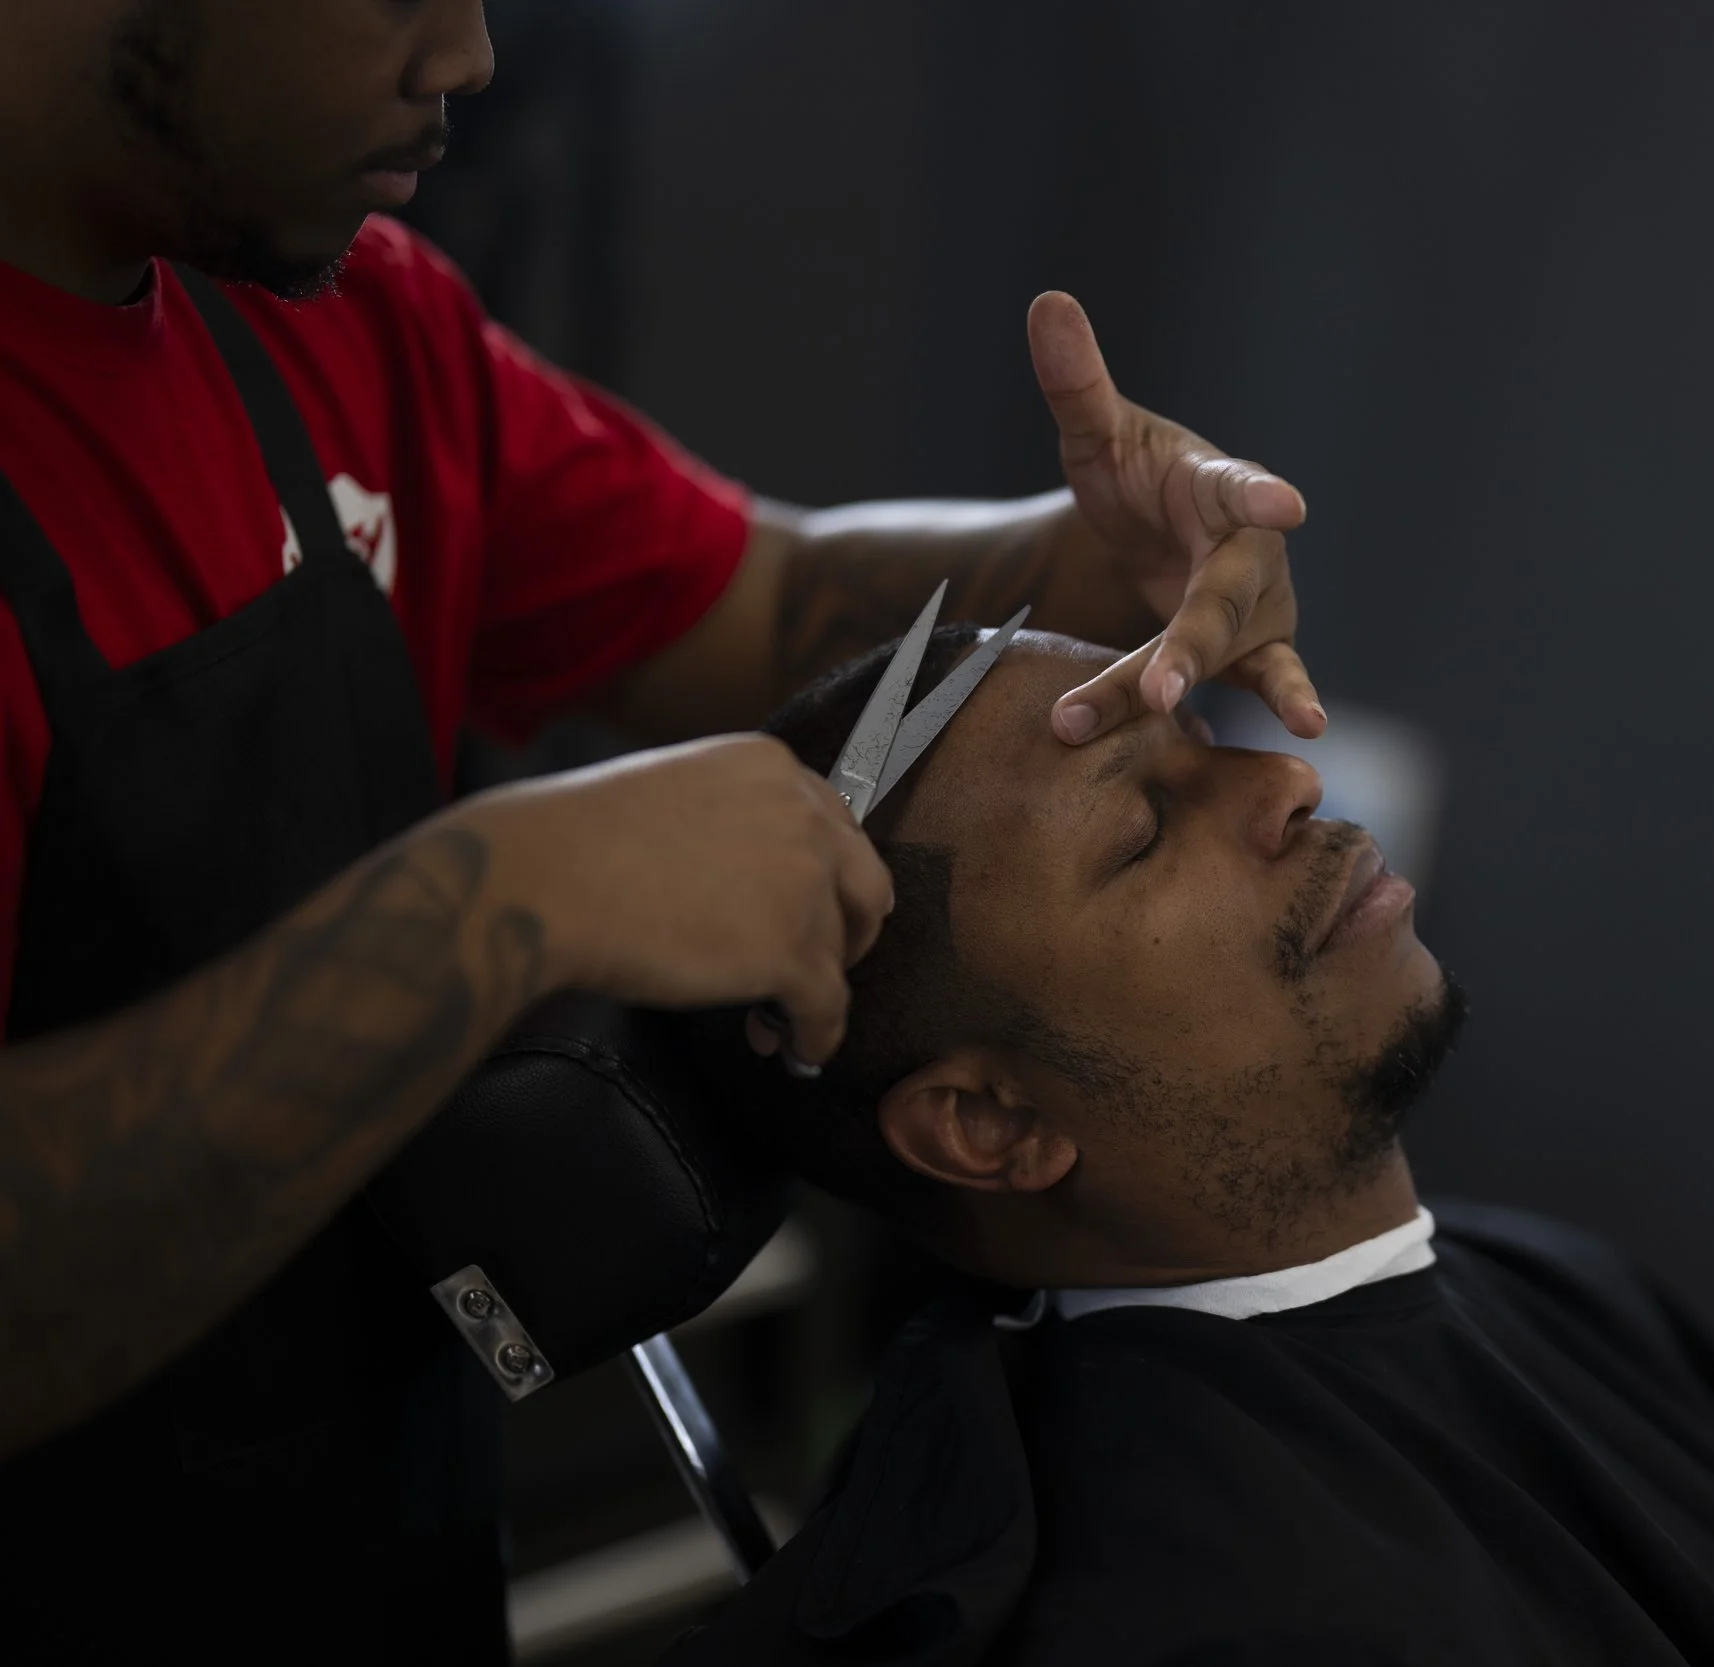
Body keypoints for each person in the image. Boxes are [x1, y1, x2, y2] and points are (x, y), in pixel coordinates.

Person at [0, 2, 1326, 1658]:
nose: (471, 57)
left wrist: (1093, 551)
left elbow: (767, 602)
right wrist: (492, 904)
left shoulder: (341, 321)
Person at [665, 629, 1714, 1667]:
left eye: (1201, 733)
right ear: (993, 1124)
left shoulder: (1560, 1283)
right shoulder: (1197, 1618)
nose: (1289, 778)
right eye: (1140, 834)